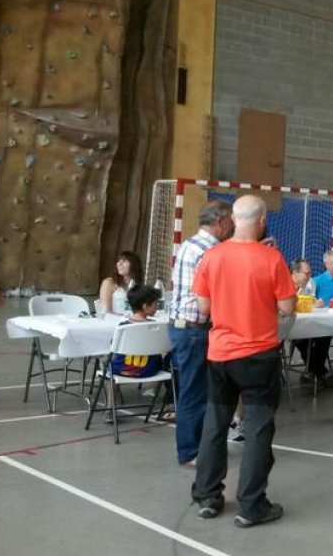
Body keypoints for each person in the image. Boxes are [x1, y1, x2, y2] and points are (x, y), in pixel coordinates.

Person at [190, 195, 296, 528]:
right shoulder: (272, 258)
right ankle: (251, 505)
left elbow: (204, 308)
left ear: (234, 219)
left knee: (215, 424)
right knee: (258, 428)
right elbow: (288, 308)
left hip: (220, 353)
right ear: (262, 219)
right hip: (258, 355)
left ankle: (207, 495)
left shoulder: (212, 256)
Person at [169, 199, 234, 468]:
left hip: (185, 327)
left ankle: (197, 447)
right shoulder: (211, 251)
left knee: (197, 391)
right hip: (195, 329)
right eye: (231, 220)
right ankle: (190, 452)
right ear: (220, 222)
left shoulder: (189, 245)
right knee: (195, 393)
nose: (233, 225)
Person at [102, 284, 165, 422]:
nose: (157, 307)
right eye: (155, 304)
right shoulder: (158, 327)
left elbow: (114, 347)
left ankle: (110, 408)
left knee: (108, 364)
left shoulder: (123, 327)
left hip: (123, 370)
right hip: (150, 370)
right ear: (145, 306)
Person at [288, 259, 333, 387]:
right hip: (286, 327)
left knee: (325, 334)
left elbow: (309, 301)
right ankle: (320, 372)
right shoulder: (284, 286)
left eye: (310, 274)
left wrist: (316, 303)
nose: (309, 277)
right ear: (295, 273)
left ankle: (313, 371)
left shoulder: (306, 285)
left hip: (302, 324)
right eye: (306, 274)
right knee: (302, 340)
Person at [99, 250, 144, 316]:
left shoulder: (139, 285)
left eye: (125, 261)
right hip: (114, 322)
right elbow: (105, 311)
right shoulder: (109, 283)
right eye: (119, 261)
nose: (120, 264)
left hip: (134, 321)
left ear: (134, 265)